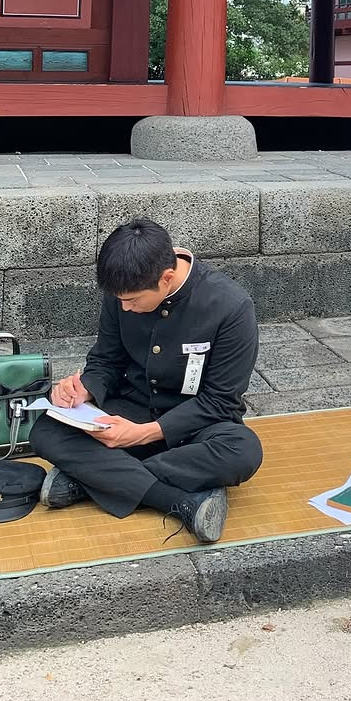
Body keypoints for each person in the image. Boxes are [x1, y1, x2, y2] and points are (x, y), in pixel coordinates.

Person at [29, 217, 263, 544]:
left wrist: (141, 436)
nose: (126, 307)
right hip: (132, 406)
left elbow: (220, 402)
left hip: (195, 424)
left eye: (134, 301)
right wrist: (84, 387)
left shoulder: (231, 307)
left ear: (166, 279)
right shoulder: (124, 288)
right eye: (120, 300)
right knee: (45, 430)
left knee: (243, 451)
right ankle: (180, 501)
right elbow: (106, 360)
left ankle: (88, 479)